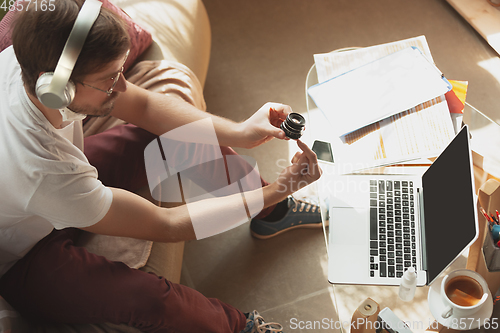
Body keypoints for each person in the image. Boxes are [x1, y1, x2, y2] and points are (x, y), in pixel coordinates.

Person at [0, 0, 322, 332]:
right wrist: (275, 190)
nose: (123, 86)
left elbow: (144, 103)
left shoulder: (25, 59)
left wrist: (240, 132)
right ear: (55, 88)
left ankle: (274, 215)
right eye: (109, 80)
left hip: (49, 191)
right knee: (145, 297)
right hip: (22, 255)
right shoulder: (41, 170)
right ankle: (241, 328)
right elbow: (167, 224)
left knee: (172, 141)